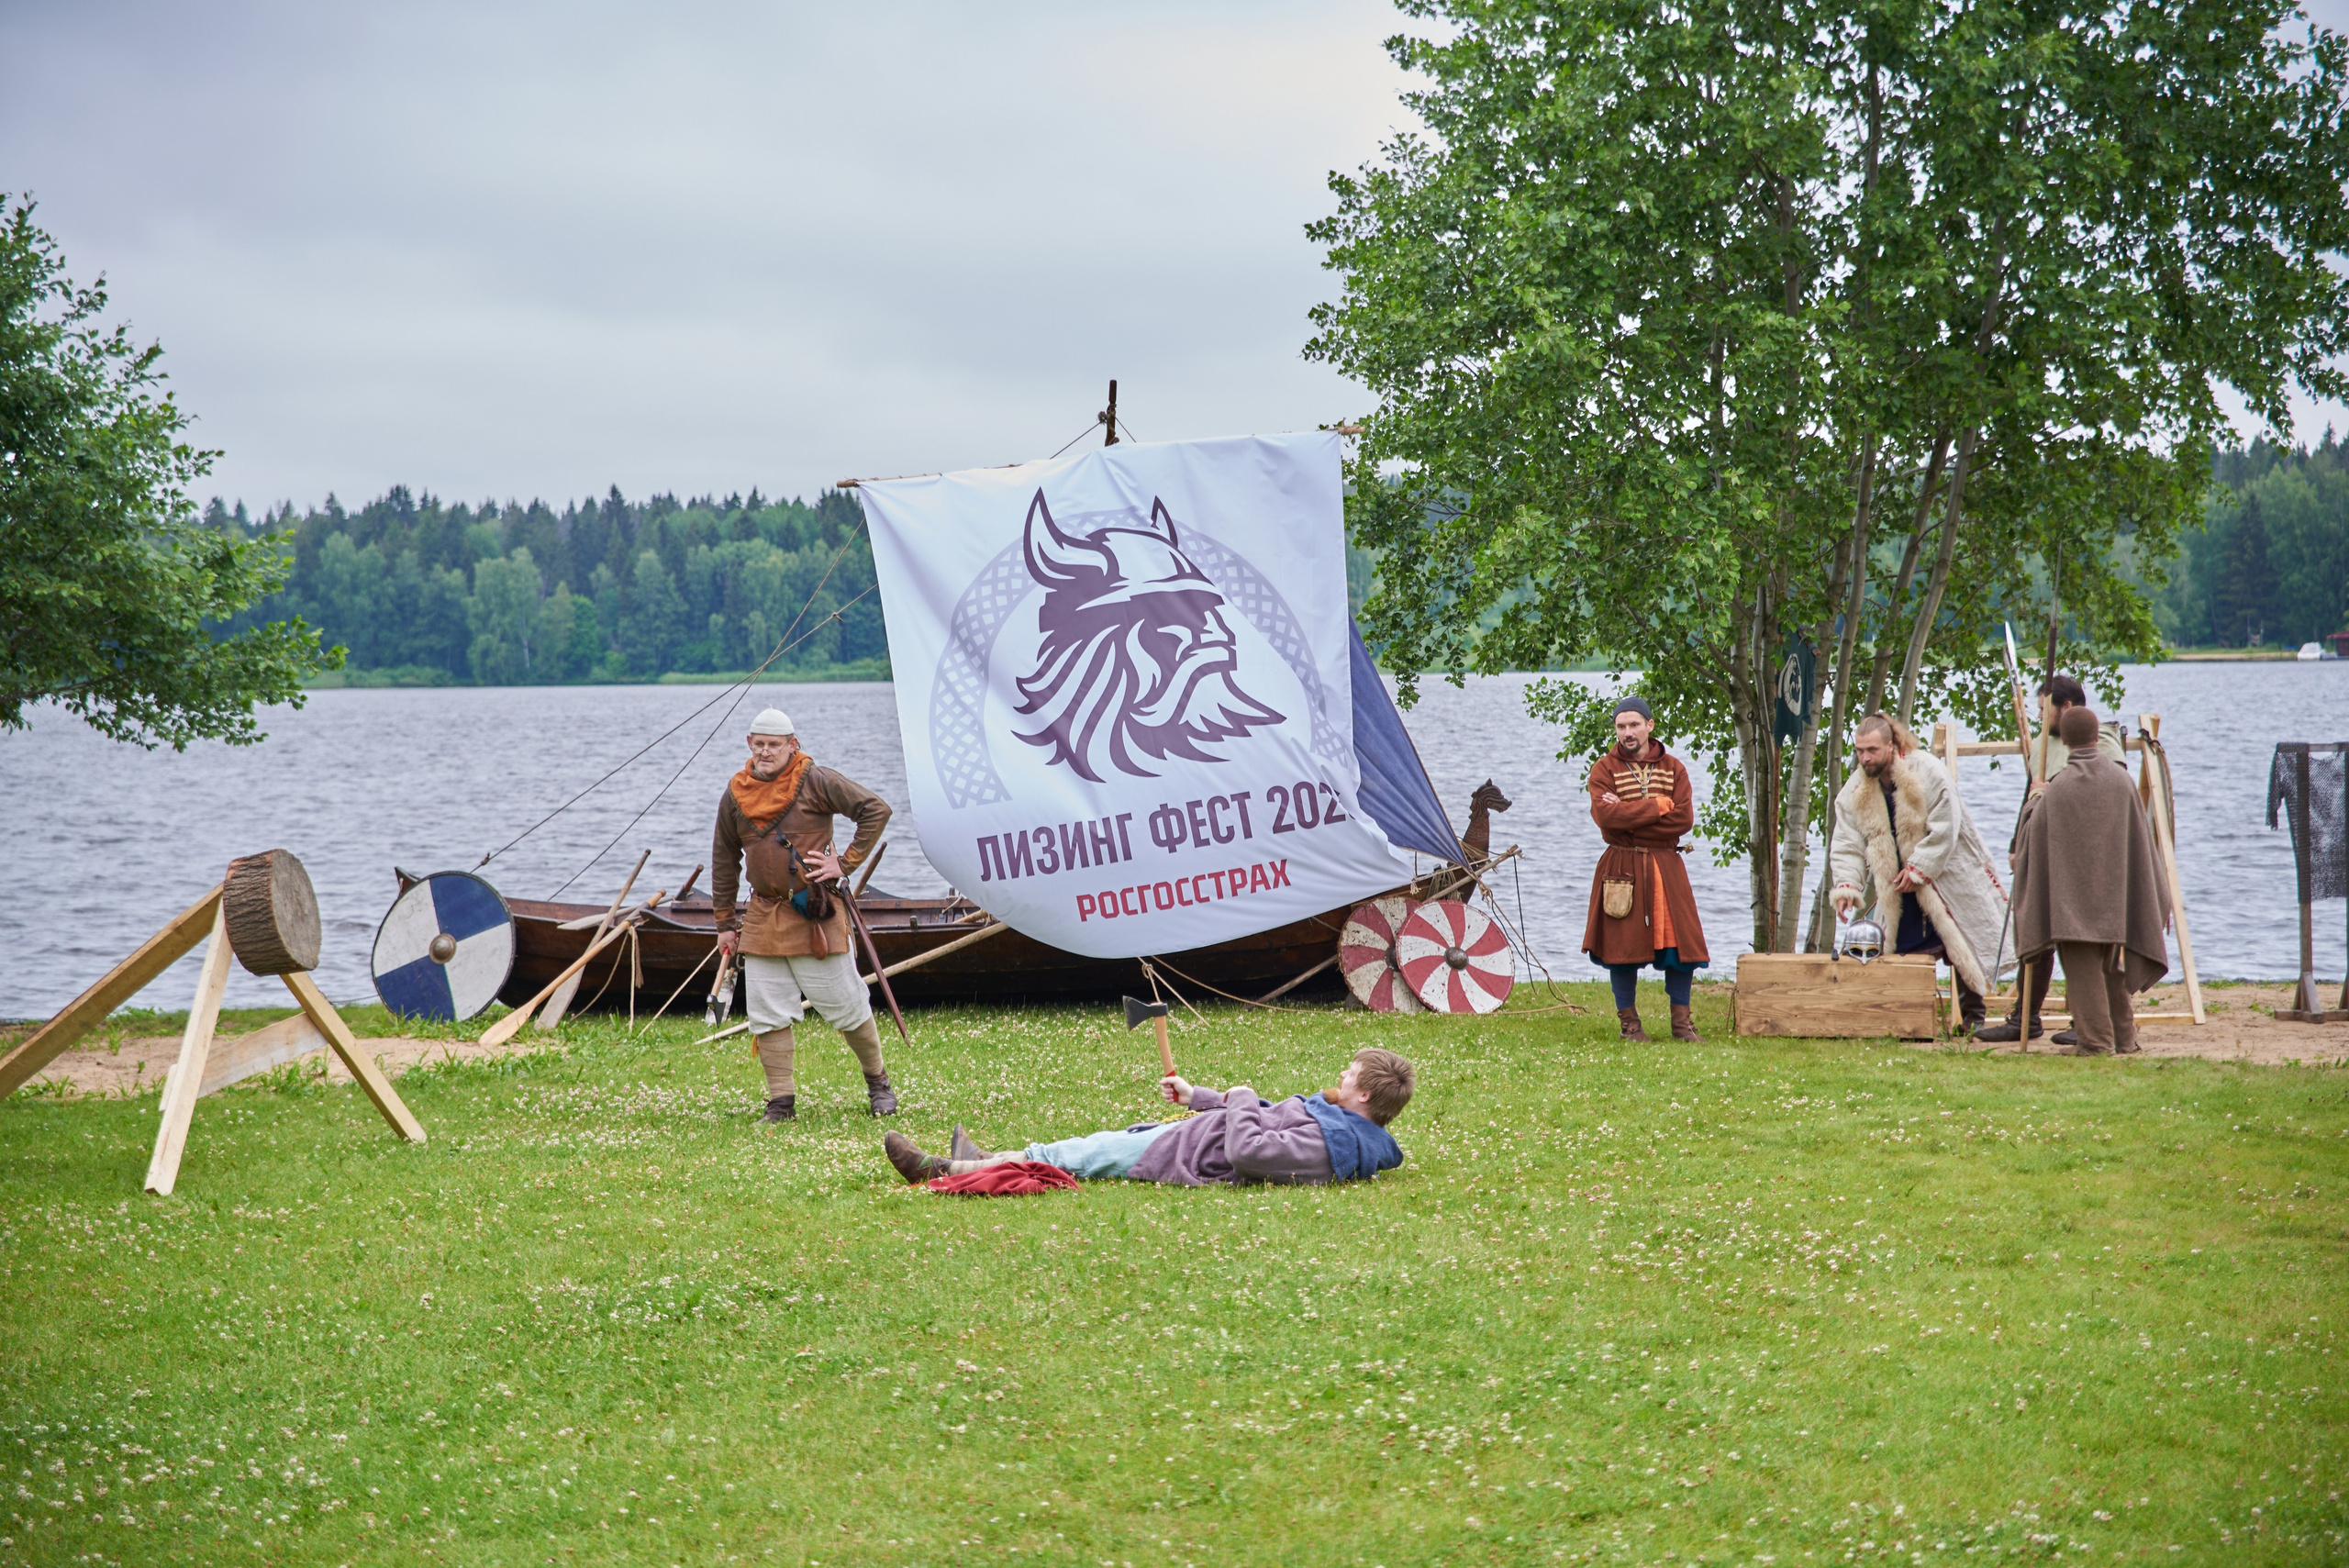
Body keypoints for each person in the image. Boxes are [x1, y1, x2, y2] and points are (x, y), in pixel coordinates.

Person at [711, 707, 895, 1122]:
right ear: (749, 745)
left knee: (848, 1005)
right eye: (758, 743)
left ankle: (878, 1084)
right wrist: (724, 922)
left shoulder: (816, 779)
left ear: (792, 745)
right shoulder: (736, 793)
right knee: (767, 1011)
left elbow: (875, 809)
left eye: (774, 744)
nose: (766, 751)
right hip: (762, 915)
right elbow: (724, 858)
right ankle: (781, 1104)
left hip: (815, 911)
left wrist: (844, 864)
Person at [881, 1048, 1414, 1187]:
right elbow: (1269, 1118)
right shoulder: (1339, 1124)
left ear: (1364, 1096)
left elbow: (1251, 1152)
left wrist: (1245, 1094)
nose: (1340, 1077)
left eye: (1350, 1075)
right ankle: (980, 1161)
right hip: (1189, 1135)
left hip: (1186, 1155)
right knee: (1085, 1146)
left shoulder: (1331, 1146)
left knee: (1077, 1157)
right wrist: (1198, 1095)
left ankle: (949, 1171)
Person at [1829, 712, 2008, 1033]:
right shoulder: (1856, 786)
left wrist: (1920, 868)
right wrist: (1847, 885)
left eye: (1872, 750)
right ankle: (1902, 1018)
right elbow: (1846, 841)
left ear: (1891, 744)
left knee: (1959, 941)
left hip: (1943, 873)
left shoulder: (1927, 770)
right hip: (1898, 883)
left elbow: (1946, 825)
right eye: (1859, 751)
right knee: (1899, 950)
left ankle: (1973, 1021)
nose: (1865, 758)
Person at [1976, 674, 2131, 1042]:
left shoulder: (2103, 742)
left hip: (2087, 858)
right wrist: (2019, 844)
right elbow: (2030, 793)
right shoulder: (2045, 745)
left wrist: (2053, 792)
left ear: (2067, 708)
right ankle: (2025, 1017)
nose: (2041, 719)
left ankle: (2088, 1023)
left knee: (2085, 933)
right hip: (2047, 849)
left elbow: (2100, 793)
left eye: (2045, 711)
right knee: (2036, 926)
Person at [2009, 707, 2171, 1056]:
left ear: (2064, 742)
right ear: (2097, 738)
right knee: (2112, 971)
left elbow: (2030, 842)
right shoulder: (2121, 781)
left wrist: (2034, 799)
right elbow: (2139, 843)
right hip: (2116, 898)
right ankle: (2125, 1040)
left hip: (2072, 904)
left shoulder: (2058, 788)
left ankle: (2096, 1044)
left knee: (2083, 976)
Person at [1583, 696, 1709, 1042]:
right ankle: (1630, 1026)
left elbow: (1682, 820)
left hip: (1667, 865)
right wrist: (1657, 806)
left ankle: (1681, 1025)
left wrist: (1628, 812)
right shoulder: (1603, 769)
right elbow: (1606, 822)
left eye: (1634, 725)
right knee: (1621, 950)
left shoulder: (1673, 768)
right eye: (1621, 727)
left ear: (1650, 725)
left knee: (1680, 947)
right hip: (1621, 864)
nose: (1627, 732)